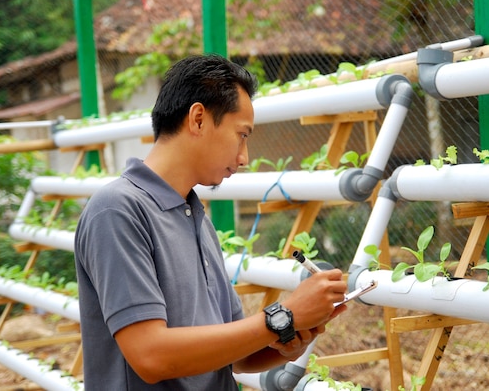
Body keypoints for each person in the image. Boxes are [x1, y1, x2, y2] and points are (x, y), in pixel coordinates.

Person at [74, 54, 348, 390]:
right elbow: (151, 356)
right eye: (241, 135)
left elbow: (238, 356)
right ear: (199, 119)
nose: (244, 157)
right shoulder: (117, 210)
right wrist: (282, 317)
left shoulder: (195, 218)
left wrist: (291, 337)